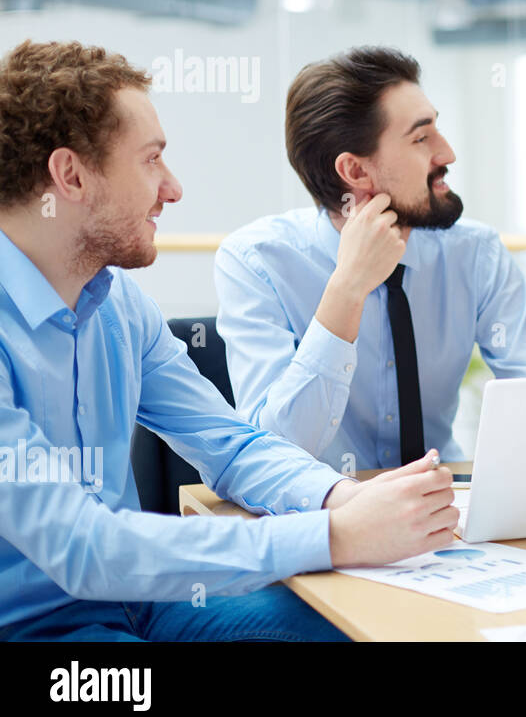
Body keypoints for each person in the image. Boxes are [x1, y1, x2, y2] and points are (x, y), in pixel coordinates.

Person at [0, 40, 458, 641]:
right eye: (151, 160)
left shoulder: (120, 305)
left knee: (363, 626)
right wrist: (335, 535)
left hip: (139, 602)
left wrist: (341, 499)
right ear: (71, 176)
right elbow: (84, 548)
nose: (173, 188)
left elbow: (233, 446)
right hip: (38, 630)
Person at [215, 46, 526, 472]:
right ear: (356, 172)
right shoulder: (258, 264)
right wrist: (348, 287)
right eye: (421, 138)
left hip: (447, 503)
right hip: (324, 514)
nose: (447, 154)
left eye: (437, 129)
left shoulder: (474, 254)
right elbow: (274, 452)